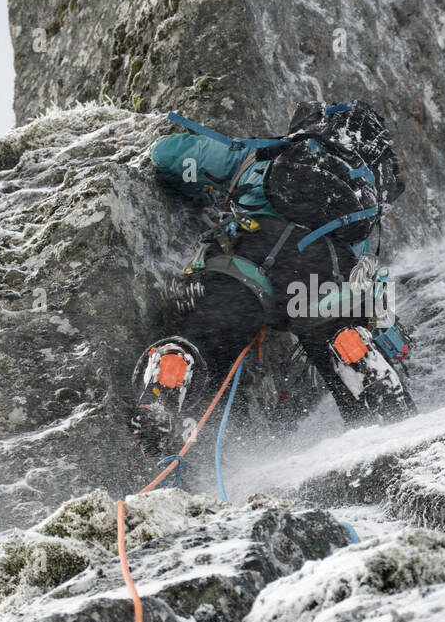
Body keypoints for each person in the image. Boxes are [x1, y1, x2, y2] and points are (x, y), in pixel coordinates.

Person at [129, 99, 415, 461]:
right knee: (332, 332)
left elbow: (167, 154)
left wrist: (204, 194)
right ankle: (354, 358)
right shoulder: (359, 194)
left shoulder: (267, 156)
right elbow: (363, 268)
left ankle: (173, 370)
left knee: (208, 336)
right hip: (319, 278)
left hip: (247, 260)